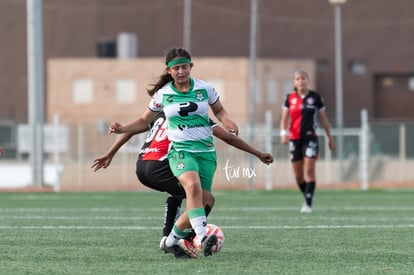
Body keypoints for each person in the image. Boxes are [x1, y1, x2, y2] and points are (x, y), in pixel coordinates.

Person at [108, 47, 239, 258]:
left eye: (184, 67)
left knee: (195, 195)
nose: (181, 71)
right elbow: (142, 122)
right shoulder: (164, 98)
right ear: (169, 71)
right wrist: (121, 130)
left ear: (191, 67)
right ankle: (197, 237)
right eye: (176, 68)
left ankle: (171, 240)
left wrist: (227, 120)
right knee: (195, 191)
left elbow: (141, 126)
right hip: (169, 157)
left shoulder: (203, 91)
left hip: (164, 161)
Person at [92, 111, 273, 257]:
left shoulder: (161, 112)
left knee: (180, 193)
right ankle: (183, 239)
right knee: (205, 198)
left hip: (142, 167)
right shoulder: (196, 116)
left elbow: (132, 130)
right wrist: (257, 153)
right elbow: (230, 138)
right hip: (161, 164)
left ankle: (170, 237)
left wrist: (110, 153)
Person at [280, 70, 335, 214]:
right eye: (297, 79)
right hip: (294, 139)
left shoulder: (316, 97)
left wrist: (330, 138)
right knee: (298, 176)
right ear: (294, 82)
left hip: (310, 138)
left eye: (303, 78)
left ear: (308, 80)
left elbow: (323, 119)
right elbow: (284, 118)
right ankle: (308, 194)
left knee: (309, 171)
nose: (301, 81)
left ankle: (308, 204)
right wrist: (283, 133)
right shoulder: (289, 98)